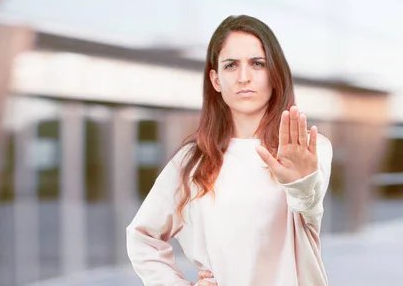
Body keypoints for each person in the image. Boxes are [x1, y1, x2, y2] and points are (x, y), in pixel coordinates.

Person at [126, 14, 333, 286]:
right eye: (231, 65)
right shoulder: (192, 160)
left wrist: (301, 183)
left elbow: (309, 209)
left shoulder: (309, 147)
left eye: (257, 64)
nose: (244, 77)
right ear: (215, 80)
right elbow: (142, 237)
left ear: (275, 74)